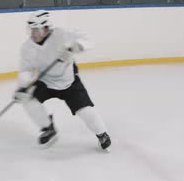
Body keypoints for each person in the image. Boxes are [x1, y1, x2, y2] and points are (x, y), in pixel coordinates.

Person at [13, 10, 111, 150]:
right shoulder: (27, 47)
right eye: (31, 29)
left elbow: (88, 39)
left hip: (68, 81)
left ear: (46, 28)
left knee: (85, 111)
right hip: (45, 81)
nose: (33, 33)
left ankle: (102, 134)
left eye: (36, 29)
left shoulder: (61, 34)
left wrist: (76, 47)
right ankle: (48, 128)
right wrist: (23, 85)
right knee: (27, 100)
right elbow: (25, 69)